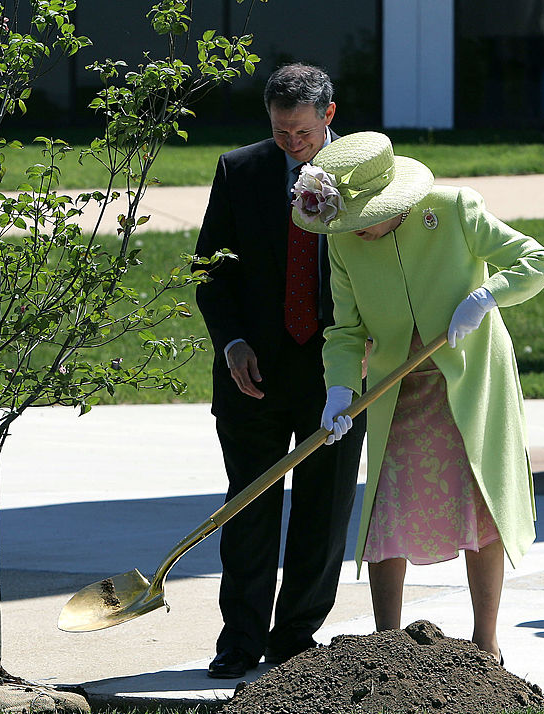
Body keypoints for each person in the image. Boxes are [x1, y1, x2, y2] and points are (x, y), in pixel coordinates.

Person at [298, 131, 544, 663]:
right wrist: (340, 390)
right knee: (386, 508)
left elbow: (539, 260)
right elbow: (346, 331)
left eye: (363, 219)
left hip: (469, 378)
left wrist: (486, 297)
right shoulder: (344, 240)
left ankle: (485, 643)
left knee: (477, 502)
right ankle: (387, 647)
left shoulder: (455, 208)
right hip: (400, 387)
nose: (354, 232)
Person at [194, 63, 366, 679]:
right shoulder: (240, 171)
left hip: (336, 370)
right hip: (254, 372)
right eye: (278, 131)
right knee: (249, 507)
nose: (291, 143)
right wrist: (233, 342)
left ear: (329, 115)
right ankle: (239, 637)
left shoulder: (369, 176)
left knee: (323, 511)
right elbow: (210, 270)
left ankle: (295, 639)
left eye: (300, 131)